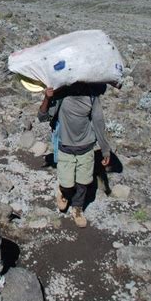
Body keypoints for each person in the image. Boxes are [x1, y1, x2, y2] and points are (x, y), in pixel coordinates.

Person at [38, 82, 111, 228]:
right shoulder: (61, 94)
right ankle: (63, 192)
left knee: (83, 183)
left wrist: (105, 149)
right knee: (67, 184)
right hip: (65, 147)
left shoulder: (92, 96)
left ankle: (77, 208)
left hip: (86, 147)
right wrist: (47, 98)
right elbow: (42, 116)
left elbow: (98, 122)